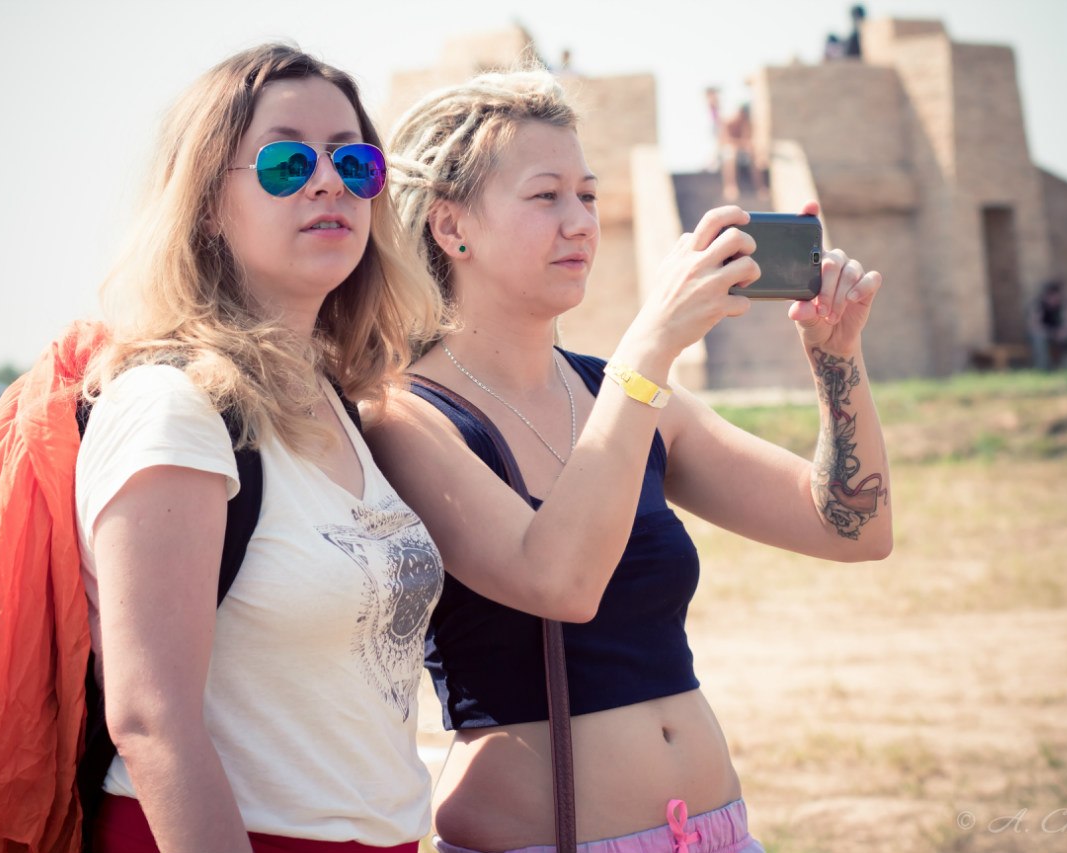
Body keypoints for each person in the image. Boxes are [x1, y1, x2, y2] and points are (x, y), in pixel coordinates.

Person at [373, 69, 892, 852]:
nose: (580, 222)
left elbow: (852, 528)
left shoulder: (619, 393)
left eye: (587, 195)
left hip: (718, 834)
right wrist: (649, 348)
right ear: (452, 227)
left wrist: (836, 353)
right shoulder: (404, 414)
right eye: (546, 196)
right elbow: (559, 581)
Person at [75, 44, 446, 852]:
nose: (329, 182)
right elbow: (151, 719)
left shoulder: (341, 401)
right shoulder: (172, 405)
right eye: (286, 163)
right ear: (208, 203)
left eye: (355, 161)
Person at [1026, 279, 1067, 369]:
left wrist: (1063, 331)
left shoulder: (1064, 305)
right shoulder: (1038, 305)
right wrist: (1051, 333)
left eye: (1057, 296)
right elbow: (1035, 326)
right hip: (1045, 333)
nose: (1055, 299)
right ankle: (1044, 367)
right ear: (1046, 296)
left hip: (1060, 333)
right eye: (1052, 296)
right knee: (1039, 337)